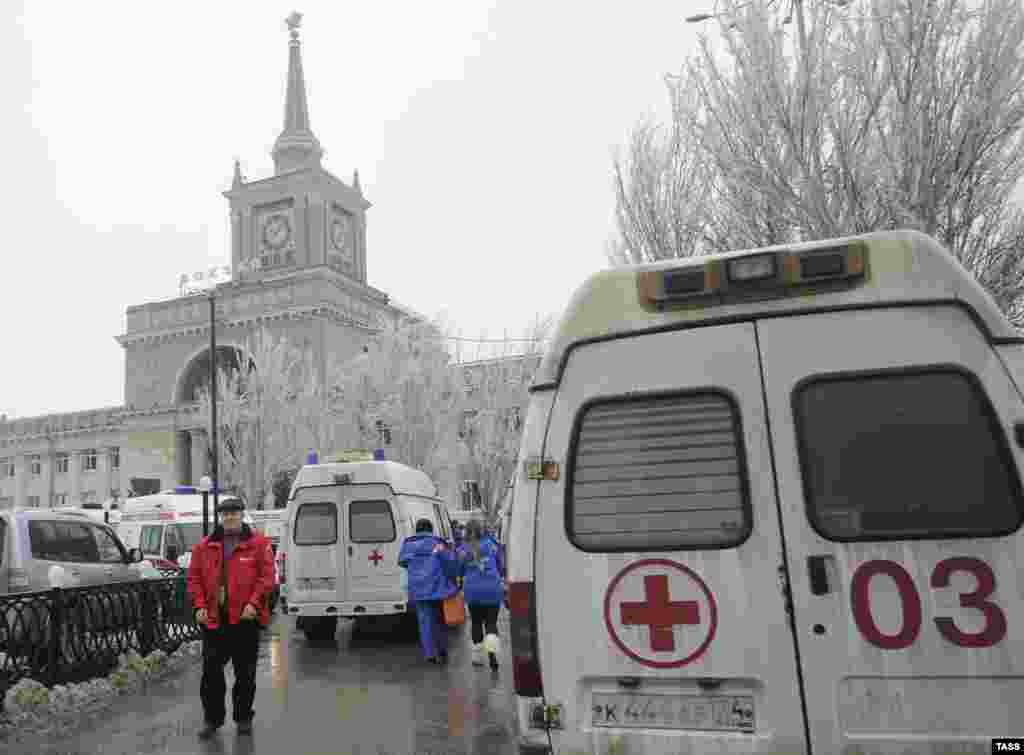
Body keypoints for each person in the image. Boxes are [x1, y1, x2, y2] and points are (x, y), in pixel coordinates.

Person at [186, 497, 274, 740]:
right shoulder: (204, 546)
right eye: (225, 514)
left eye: (234, 513)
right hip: (215, 622)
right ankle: (212, 720)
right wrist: (199, 606)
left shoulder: (259, 544)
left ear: (242, 514)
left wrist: (253, 604)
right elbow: (194, 579)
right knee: (211, 675)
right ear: (220, 517)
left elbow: (266, 579)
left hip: (245, 620)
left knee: (245, 674)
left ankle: (243, 717)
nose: (229, 517)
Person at [398, 518, 458, 664]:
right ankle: (442, 650)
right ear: (431, 529)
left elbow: (402, 561)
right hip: (436, 587)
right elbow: (449, 562)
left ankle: (429, 654)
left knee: (424, 621)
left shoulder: (408, 544)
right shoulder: (437, 543)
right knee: (440, 620)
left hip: (418, 589)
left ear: (417, 530)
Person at [456, 520, 505, 670]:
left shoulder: (462, 549)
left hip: (473, 590)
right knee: (491, 623)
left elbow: (458, 570)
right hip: (492, 588)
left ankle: (477, 656)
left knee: (476, 622)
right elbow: (501, 566)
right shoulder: (492, 545)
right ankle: (492, 655)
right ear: (482, 530)